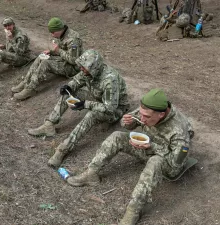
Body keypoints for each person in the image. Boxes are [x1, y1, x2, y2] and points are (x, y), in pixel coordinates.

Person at [66, 89, 194, 225]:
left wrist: (152, 147)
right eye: (141, 115)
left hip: (168, 162)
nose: (142, 119)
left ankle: (134, 209)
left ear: (161, 114)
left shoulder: (179, 130)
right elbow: (129, 123)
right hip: (149, 147)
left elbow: (176, 164)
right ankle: (92, 173)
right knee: (117, 136)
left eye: (146, 118)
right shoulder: (148, 110)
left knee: (155, 161)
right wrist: (127, 122)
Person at [28, 50, 129, 167]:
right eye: (81, 66)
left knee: (92, 114)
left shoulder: (110, 80)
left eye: (83, 68)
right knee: (68, 93)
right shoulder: (88, 71)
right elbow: (76, 81)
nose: (81, 69)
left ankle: (63, 149)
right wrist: (69, 87)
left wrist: (86, 104)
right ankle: (49, 124)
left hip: (115, 110)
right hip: (99, 98)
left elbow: (110, 107)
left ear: (93, 68)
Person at [12, 17, 83, 100]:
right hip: (63, 60)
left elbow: (73, 60)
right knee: (41, 57)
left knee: (46, 63)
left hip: (73, 68)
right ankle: (26, 82)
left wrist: (58, 51)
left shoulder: (73, 39)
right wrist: (51, 51)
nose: (52, 35)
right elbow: (61, 49)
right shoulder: (62, 34)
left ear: (59, 29)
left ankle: (30, 89)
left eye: (53, 32)